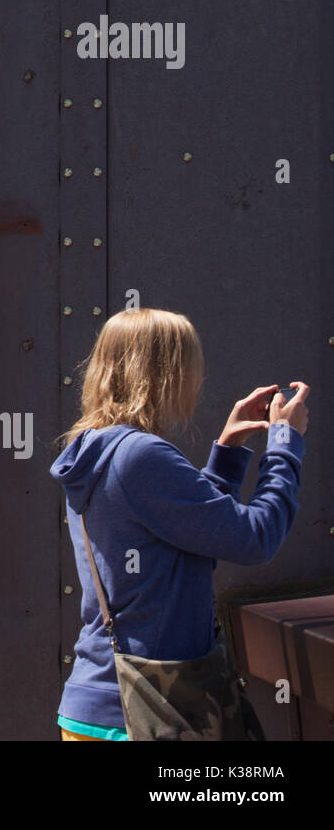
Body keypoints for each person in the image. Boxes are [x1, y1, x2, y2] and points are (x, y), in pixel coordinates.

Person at [50, 308, 308, 741]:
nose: (198, 380)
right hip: (141, 714)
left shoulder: (100, 450)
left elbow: (186, 533)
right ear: (164, 374)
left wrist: (227, 451)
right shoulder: (141, 455)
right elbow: (256, 538)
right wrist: (286, 446)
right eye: (191, 366)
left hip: (107, 705)